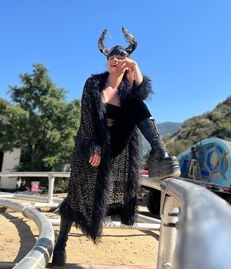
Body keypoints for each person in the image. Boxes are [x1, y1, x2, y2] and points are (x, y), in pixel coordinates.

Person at [52, 27, 180, 266]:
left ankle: (160, 153)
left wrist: (136, 68)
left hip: (119, 145)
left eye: (120, 58)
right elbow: (86, 118)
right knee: (76, 196)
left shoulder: (129, 88)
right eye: (111, 57)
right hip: (94, 142)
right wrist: (92, 147)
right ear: (106, 62)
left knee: (136, 104)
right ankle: (61, 243)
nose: (115, 60)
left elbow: (143, 95)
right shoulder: (93, 84)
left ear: (127, 64)